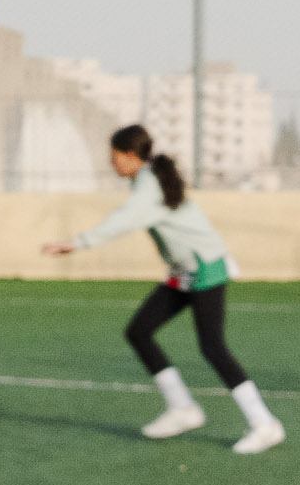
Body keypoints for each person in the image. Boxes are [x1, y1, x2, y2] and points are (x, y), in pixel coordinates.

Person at [42, 124, 282, 452]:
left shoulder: (147, 186)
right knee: (140, 332)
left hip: (206, 267)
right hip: (184, 272)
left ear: (130, 155)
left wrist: (77, 243)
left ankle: (264, 423)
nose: (112, 164)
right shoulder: (149, 178)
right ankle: (183, 408)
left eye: (114, 157)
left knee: (212, 347)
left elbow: (123, 220)